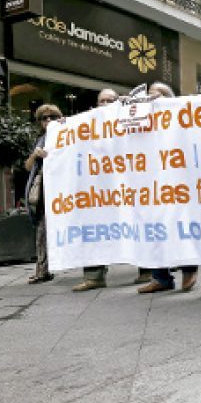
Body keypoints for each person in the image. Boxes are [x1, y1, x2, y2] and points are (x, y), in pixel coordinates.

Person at [72, 88, 152, 291]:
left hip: (128, 187)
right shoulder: (85, 124)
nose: (106, 104)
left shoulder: (130, 121)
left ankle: (147, 271)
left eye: (111, 101)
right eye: (102, 101)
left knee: (138, 225)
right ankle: (94, 276)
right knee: (93, 229)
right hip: (98, 190)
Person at [137, 82, 198, 294]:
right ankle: (160, 277)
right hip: (151, 182)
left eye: (159, 95)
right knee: (154, 228)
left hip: (177, 180)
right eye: (150, 95)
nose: (153, 98)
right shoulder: (142, 119)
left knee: (180, 225)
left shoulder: (180, 114)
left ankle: (189, 270)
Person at [24, 104, 62, 284]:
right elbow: (28, 167)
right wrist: (35, 155)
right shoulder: (40, 140)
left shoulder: (67, 134)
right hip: (44, 190)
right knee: (42, 229)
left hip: (63, 189)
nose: (48, 121)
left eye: (52, 117)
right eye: (44, 118)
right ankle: (42, 270)